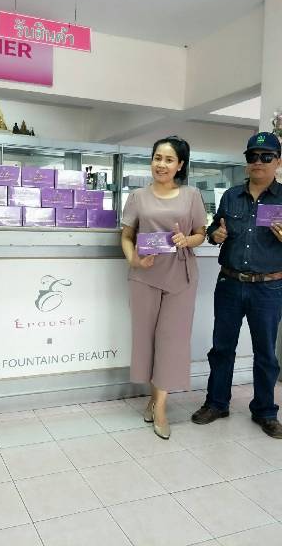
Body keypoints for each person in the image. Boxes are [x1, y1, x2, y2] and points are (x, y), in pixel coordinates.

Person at [192, 131, 282, 439]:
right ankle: (217, 403)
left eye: (266, 156)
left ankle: (265, 411)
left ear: (278, 161)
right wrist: (214, 235)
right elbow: (215, 227)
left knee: (265, 353)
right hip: (229, 283)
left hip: (269, 288)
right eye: (252, 156)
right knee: (222, 347)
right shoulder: (231, 196)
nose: (258, 162)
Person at [121, 136, 206, 439]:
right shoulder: (137, 197)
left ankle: (160, 407)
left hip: (180, 277)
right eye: (158, 158)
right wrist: (134, 260)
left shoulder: (192, 195)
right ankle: (153, 398)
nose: (162, 164)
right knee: (146, 341)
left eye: (169, 160)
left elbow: (201, 234)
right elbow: (126, 236)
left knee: (172, 342)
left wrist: (187, 240)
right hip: (144, 276)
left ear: (180, 165)